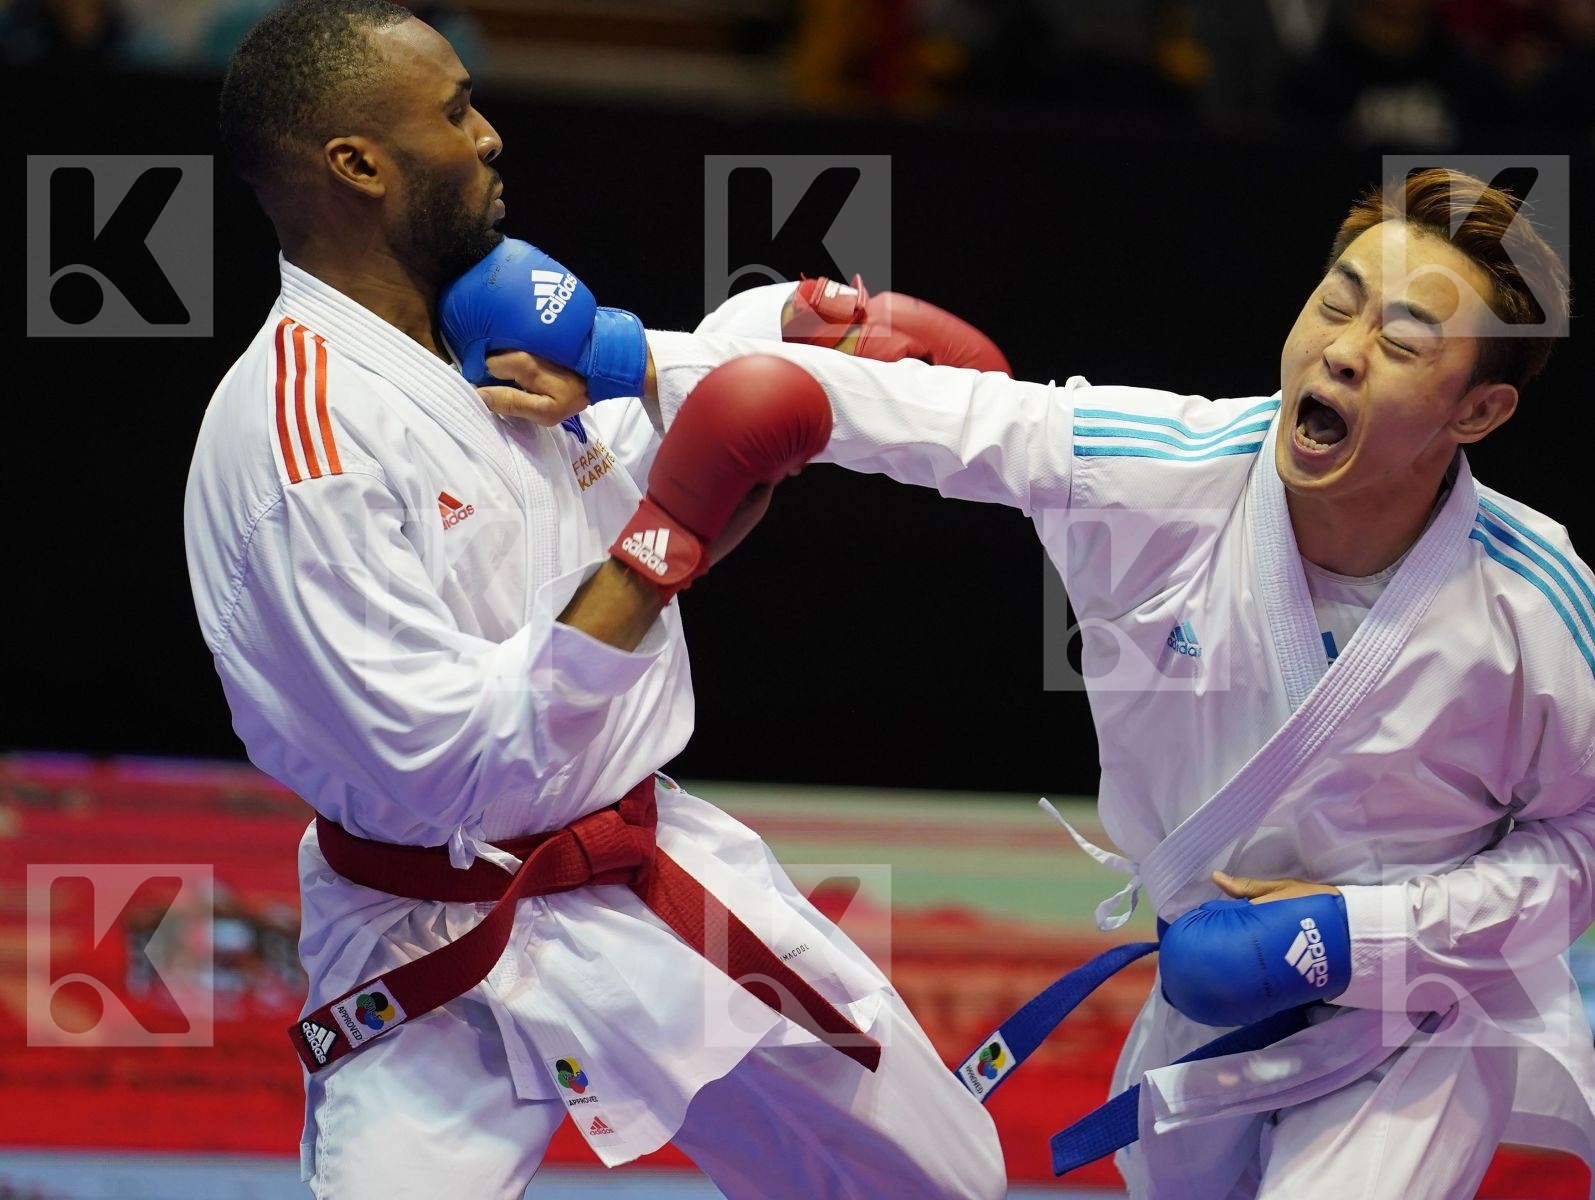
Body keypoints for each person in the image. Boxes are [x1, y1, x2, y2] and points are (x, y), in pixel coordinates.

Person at [473, 167, 1595, 1198]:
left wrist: (1355, 934)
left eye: (1401, 341)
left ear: (1477, 412)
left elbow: (1578, 851)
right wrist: (630, 359)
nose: (1341, 351)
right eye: (1335, 302)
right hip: (1200, 991)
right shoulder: (1162, 471)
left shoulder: (1534, 602)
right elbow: (916, 418)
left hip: (1412, 1023)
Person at [182, 2, 1006, 1197]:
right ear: (356, 165)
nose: (491, 134)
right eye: (457, 110)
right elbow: (451, 765)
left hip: (647, 869)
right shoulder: (300, 445)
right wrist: (663, 539)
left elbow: (665, 479)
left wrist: (765, 343)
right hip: (432, 936)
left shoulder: (495, 323)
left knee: (944, 1180)